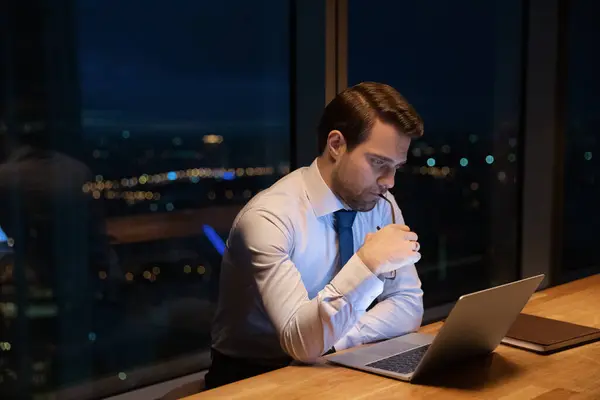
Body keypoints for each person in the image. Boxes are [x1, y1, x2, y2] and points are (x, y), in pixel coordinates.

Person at [206, 81, 425, 390]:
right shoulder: (269, 218)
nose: (389, 181)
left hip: (336, 362)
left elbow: (409, 305)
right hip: (251, 377)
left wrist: (336, 337)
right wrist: (367, 263)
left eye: (396, 167)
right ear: (336, 145)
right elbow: (301, 343)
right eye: (378, 163)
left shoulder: (379, 203)